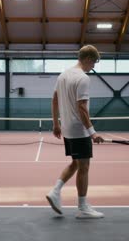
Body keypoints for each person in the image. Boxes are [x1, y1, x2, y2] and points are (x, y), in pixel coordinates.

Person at [46, 45, 104, 219]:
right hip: (79, 130)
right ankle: (83, 207)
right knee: (84, 167)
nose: (93, 66)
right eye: (93, 62)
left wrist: (56, 124)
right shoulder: (83, 78)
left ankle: (55, 191)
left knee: (76, 163)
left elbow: (54, 100)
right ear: (87, 59)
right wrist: (92, 132)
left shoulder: (63, 75)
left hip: (67, 129)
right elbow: (82, 108)